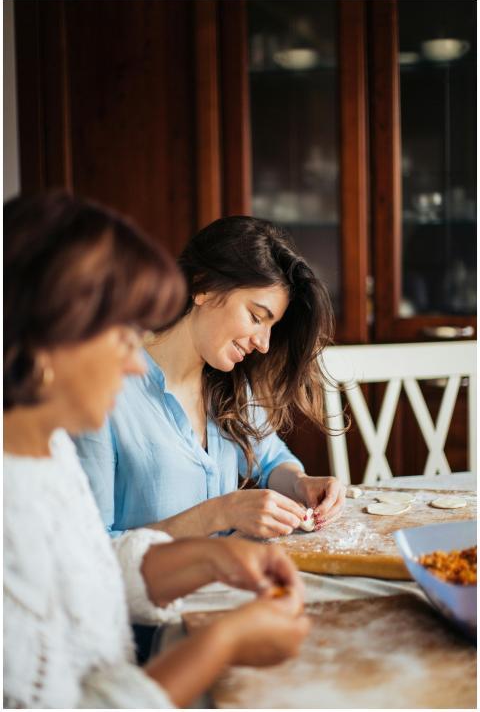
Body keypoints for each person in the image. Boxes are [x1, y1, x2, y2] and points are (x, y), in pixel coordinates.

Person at [3, 192, 310, 709]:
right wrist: (222, 643)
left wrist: (215, 555)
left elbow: (93, 574)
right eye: (121, 335)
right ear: (48, 337)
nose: (134, 364)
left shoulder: (46, 452)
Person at [74, 216, 346, 539]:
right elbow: (91, 551)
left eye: (270, 327)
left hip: (229, 582)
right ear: (203, 286)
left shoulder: (229, 385)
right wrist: (220, 513)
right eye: (256, 317)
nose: (264, 343)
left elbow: (273, 459)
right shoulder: (101, 397)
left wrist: (301, 483)